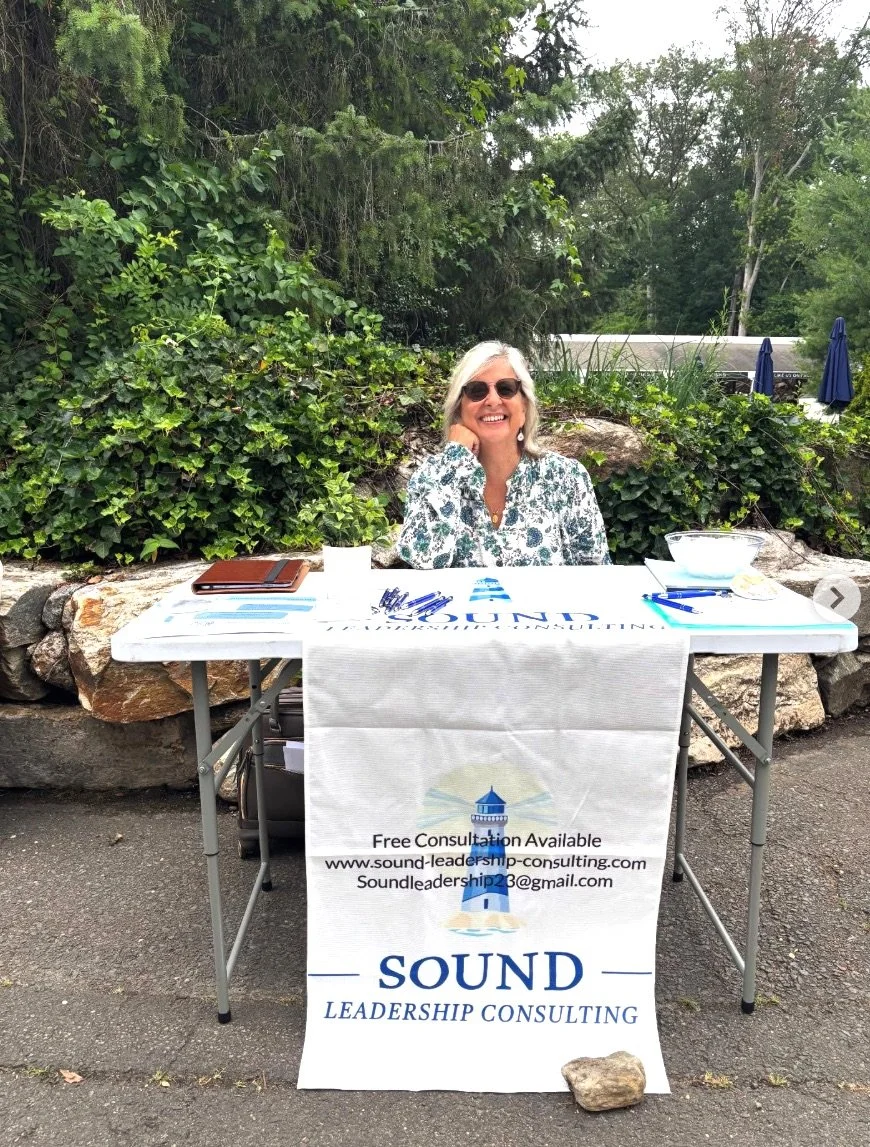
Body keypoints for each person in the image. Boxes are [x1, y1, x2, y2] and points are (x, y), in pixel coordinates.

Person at [398, 341, 611, 568]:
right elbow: (421, 558)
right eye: (477, 390)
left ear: (525, 407)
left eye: (506, 389)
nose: (492, 400)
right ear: (459, 409)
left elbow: (597, 576)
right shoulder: (432, 478)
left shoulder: (566, 478)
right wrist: (455, 460)